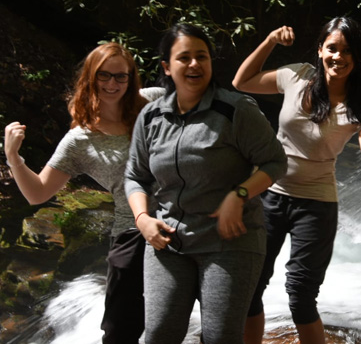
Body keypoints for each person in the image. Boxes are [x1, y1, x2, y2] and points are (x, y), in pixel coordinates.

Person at [232, 17, 361, 343]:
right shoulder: (296, 75)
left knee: (301, 296)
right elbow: (243, 82)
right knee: (251, 286)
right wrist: (270, 40)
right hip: (270, 194)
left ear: (357, 58)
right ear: (320, 50)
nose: (338, 57)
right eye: (332, 48)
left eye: (347, 51)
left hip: (317, 205)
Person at [124, 23, 287, 344]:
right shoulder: (151, 117)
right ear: (166, 68)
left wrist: (238, 195)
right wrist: (143, 219)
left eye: (202, 56)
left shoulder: (235, 110)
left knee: (220, 337)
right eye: (184, 58)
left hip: (230, 243)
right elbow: (135, 176)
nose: (195, 64)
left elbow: (275, 162)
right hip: (169, 242)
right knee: (158, 335)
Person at [3, 42, 164, 344]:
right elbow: (37, 193)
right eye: (104, 76)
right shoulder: (80, 140)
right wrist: (14, 158)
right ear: (91, 77)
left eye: (121, 77)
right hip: (131, 235)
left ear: (131, 79)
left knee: (172, 323)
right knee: (119, 331)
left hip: (180, 220)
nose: (112, 84)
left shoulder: (152, 102)